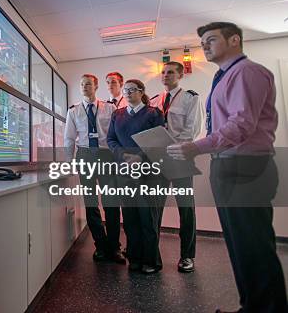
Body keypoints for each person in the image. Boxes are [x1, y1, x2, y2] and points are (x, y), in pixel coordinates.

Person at [167, 22, 287, 312]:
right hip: (229, 166)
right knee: (239, 245)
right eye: (203, 42)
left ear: (234, 40)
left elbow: (241, 125)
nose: (205, 46)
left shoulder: (247, 72)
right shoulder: (225, 76)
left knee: (253, 246)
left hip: (245, 167)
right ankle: (252, 306)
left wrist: (196, 147)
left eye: (211, 40)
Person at [65, 74, 126, 264]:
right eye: (82, 84)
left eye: (88, 84)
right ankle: (100, 246)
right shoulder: (73, 111)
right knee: (91, 204)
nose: (84, 87)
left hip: (106, 155)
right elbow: (69, 138)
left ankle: (114, 247)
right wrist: (69, 162)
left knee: (111, 203)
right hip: (85, 156)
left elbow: (116, 135)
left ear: (96, 86)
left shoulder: (110, 108)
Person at [150, 61, 204, 273]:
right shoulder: (155, 100)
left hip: (180, 158)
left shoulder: (191, 97)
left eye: (170, 72)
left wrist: (170, 145)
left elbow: (192, 131)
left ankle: (187, 256)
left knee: (186, 208)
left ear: (180, 75)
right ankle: (152, 253)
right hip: (158, 160)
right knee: (154, 207)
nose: (165, 75)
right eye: (163, 72)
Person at [107, 79, 165, 274]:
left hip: (148, 171)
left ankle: (151, 260)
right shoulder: (117, 114)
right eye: (126, 90)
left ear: (141, 92)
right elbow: (111, 139)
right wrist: (124, 155)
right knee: (130, 217)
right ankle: (135, 258)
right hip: (125, 170)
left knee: (148, 217)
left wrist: (139, 157)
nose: (128, 93)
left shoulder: (153, 113)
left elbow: (159, 140)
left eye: (133, 90)